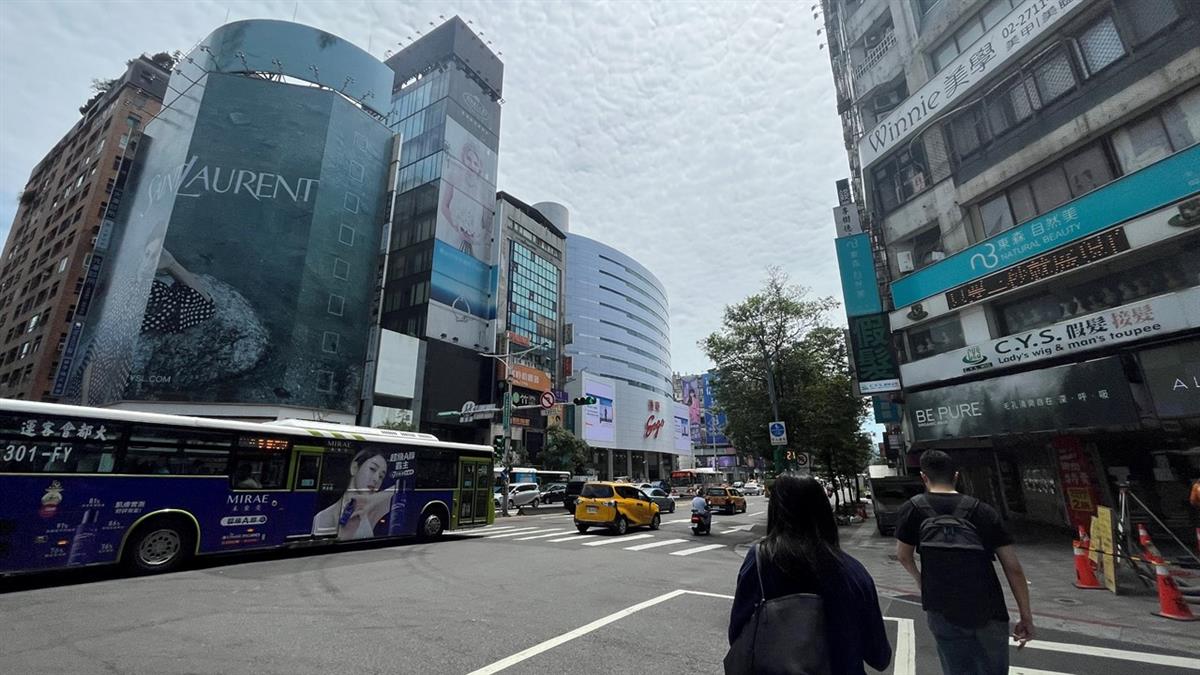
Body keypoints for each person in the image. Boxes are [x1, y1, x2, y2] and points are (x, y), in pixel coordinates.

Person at [729, 476, 891, 674]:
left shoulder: (761, 562)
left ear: (776, 512)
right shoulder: (853, 572)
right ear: (824, 512)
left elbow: (737, 634)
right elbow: (879, 656)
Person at [894, 450, 1034, 675]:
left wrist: (922, 583)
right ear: (956, 476)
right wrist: (1026, 615)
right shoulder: (982, 510)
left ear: (924, 477)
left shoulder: (912, 509)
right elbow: (1013, 568)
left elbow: (903, 555)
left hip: (941, 607)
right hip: (989, 608)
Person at [312, 450, 394, 540]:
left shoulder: (373, 509)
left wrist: (373, 500)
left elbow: (398, 488)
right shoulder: (323, 517)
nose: (376, 479)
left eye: (381, 476)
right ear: (354, 468)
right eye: (372, 469)